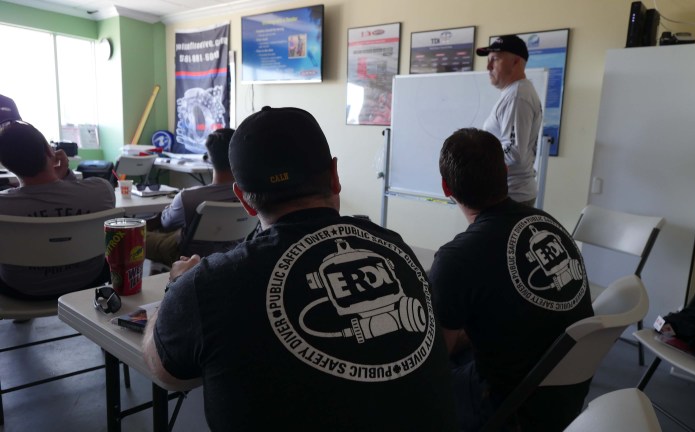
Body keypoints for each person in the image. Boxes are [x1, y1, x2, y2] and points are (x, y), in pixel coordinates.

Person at [142, 106, 457, 431]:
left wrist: (174, 288)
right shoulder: (398, 251)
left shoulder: (208, 285)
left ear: (245, 200)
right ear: (335, 177)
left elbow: (164, 370)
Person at [429, 128, 593, 431]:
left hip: (510, 407)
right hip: (568, 393)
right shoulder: (547, 224)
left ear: (445, 188)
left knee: (416, 382)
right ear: (504, 173)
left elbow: (438, 354)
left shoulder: (456, 259)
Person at [0, 120, 115, 299]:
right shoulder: (102, 191)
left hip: (20, 289)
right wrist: (65, 177)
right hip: (88, 281)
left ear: (5, 164)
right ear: (49, 151)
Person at [145, 128, 238, 266]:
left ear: (208, 157)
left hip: (188, 258)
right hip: (232, 255)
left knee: (130, 236)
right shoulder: (251, 195)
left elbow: (166, 223)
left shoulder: (188, 198)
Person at [476, 35, 543, 207]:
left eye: (495, 59)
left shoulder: (517, 96)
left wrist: (475, 161)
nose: (488, 67)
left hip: (511, 196)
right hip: (508, 193)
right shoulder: (515, 93)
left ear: (516, 62)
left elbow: (514, 154)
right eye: (488, 60)